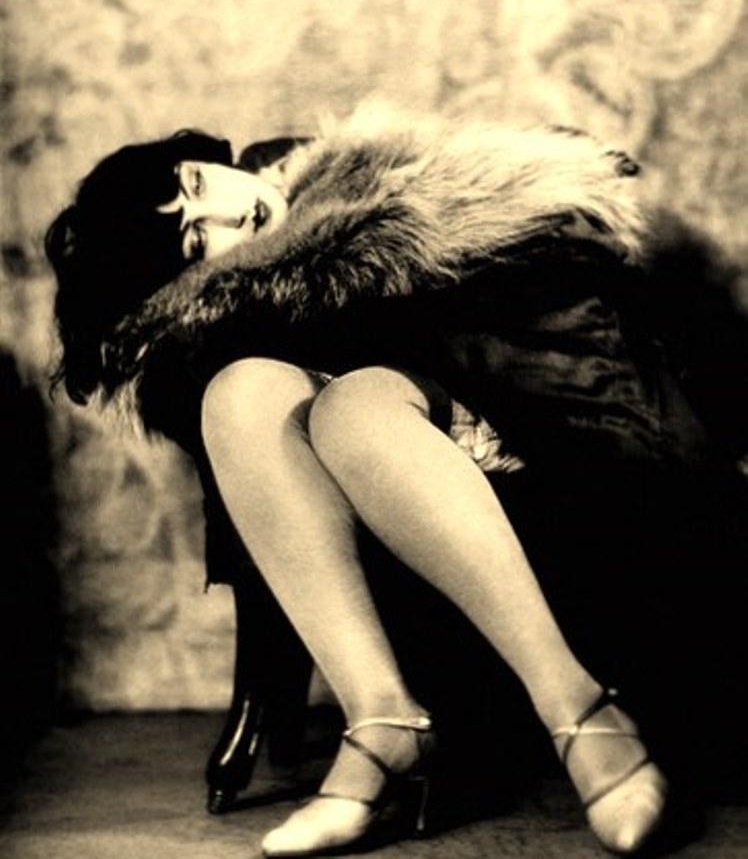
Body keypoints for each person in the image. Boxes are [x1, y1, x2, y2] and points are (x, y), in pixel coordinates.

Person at [44, 101, 748, 857]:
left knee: (355, 409)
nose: (230, 209)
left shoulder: (373, 172)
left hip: (542, 427)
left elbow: (550, 333)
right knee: (241, 392)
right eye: (196, 238)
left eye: (196, 182)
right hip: (395, 439)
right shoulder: (226, 303)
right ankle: (383, 719)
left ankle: (579, 711)